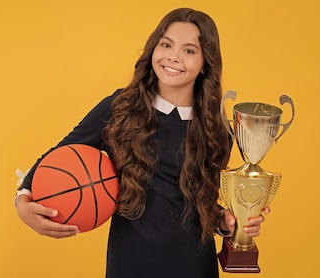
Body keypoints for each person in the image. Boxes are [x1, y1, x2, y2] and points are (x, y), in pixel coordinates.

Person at [14, 7, 269, 278]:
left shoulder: (216, 129)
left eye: (189, 50)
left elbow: (204, 206)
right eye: (166, 44)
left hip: (194, 267)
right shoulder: (119, 107)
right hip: (129, 265)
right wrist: (23, 201)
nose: (173, 56)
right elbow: (59, 156)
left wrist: (228, 224)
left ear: (206, 62)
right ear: (153, 49)